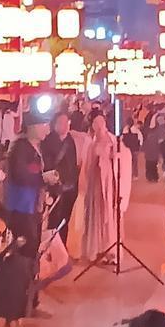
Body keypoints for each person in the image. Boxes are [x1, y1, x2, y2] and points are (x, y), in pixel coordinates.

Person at [80, 112, 131, 264]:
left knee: (111, 215)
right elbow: (87, 165)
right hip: (96, 185)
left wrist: (114, 157)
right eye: (96, 123)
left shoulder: (113, 141)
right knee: (97, 215)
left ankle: (113, 251)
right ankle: (99, 249)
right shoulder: (91, 143)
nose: (99, 125)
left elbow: (124, 157)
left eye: (101, 122)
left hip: (110, 183)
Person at [41, 109, 81, 240]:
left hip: (69, 188)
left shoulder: (71, 141)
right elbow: (47, 163)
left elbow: (73, 163)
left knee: (65, 220)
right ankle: (51, 246)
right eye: (61, 122)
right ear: (55, 124)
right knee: (53, 219)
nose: (65, 125)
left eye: (67, 122)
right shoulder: (48, 141)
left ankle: (61, 246)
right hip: (54, 187)